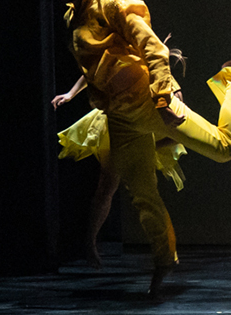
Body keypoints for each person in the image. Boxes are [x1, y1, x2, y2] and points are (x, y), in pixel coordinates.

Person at [49, 0, 231, 295]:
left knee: (225, 147)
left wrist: (165, 97)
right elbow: (97, 63)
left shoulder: (113, 3)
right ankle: (163, 262)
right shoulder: (72, 17)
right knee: (142, 193)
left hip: (149, 102)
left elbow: (153, 48)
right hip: (120, 117)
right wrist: (73, 92)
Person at [53, 63, 187, 269]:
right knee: (107, 185)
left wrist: (151, 146)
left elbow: (177, 131)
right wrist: (70, 94)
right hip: (117, 124)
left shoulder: (168, 85)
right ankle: (90, 244)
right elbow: (93, 71)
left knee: (147, 193)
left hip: (144, 132)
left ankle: (168, 251)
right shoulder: (128, 63)